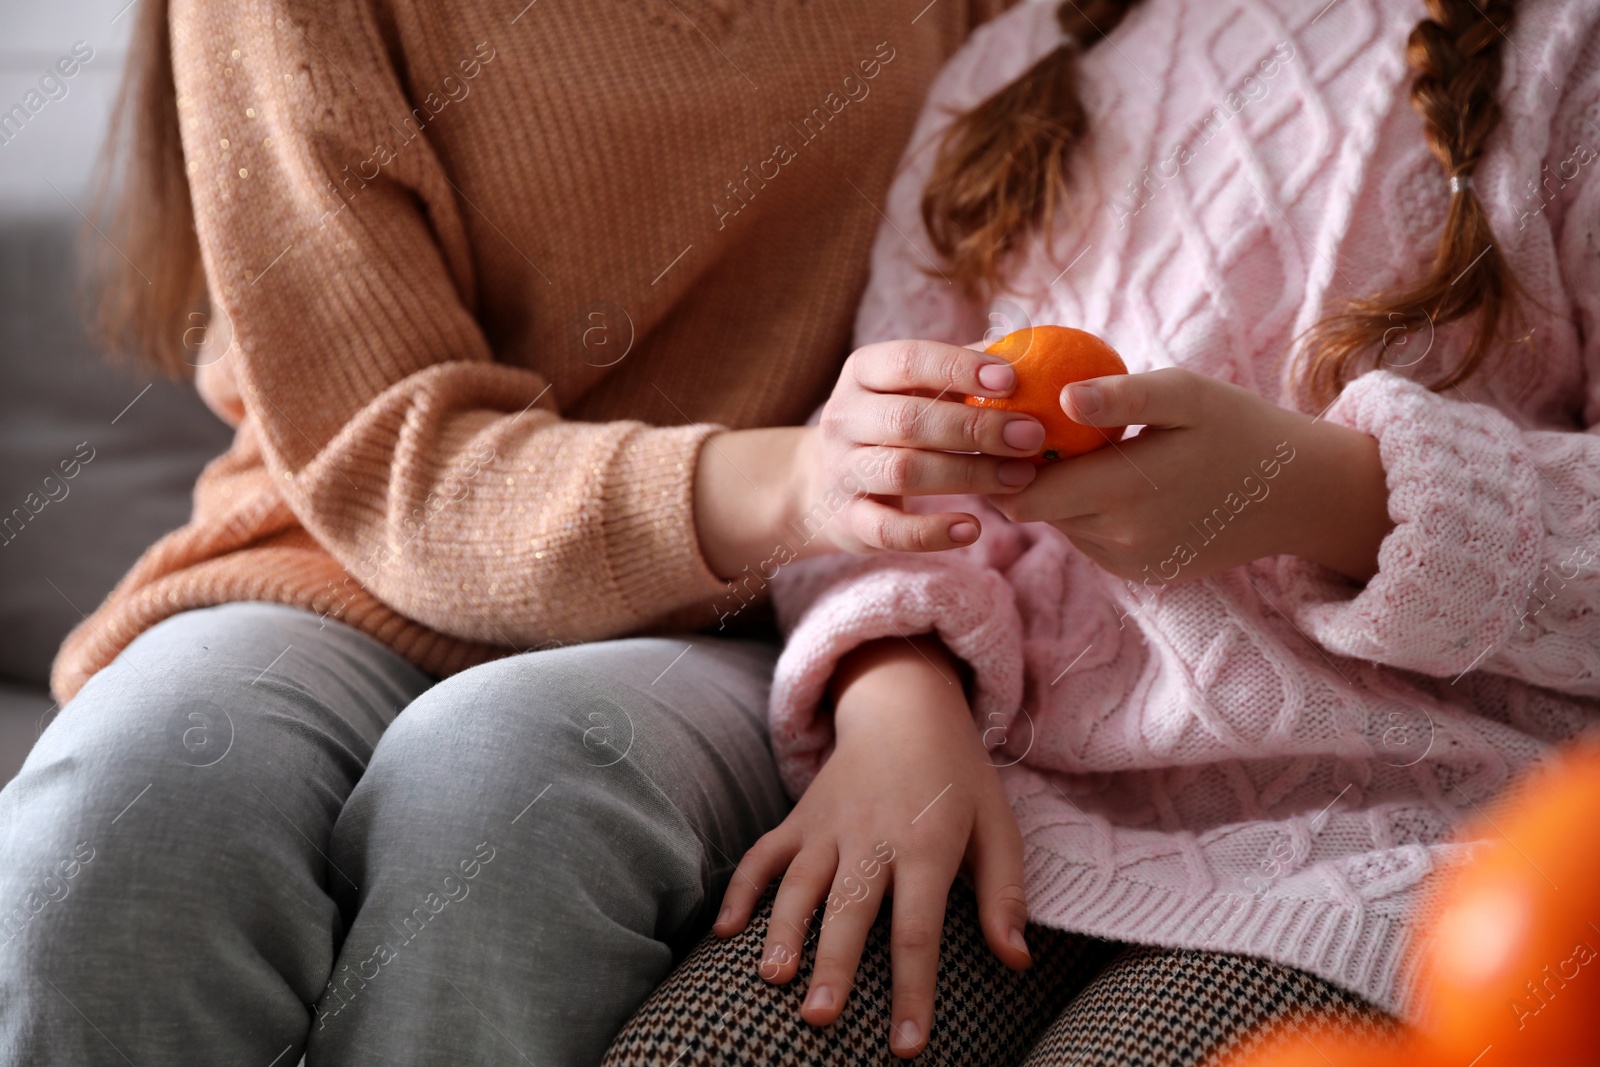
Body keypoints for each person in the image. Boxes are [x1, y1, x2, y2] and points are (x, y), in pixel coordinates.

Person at [0, 1, 1025, 1064]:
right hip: (345, 557)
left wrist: (895, 650)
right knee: (124, 822)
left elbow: (1034, 265)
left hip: (764, 604)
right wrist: (800, 475)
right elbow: (386, 455)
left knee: (505, 786)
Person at [603, 0, 1600, 1063]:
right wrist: (895, 699)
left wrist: (1319, 490)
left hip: (1390, 840)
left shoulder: (1566, 54)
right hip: (989, 799)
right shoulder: (1011, 61)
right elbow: (879, 479)